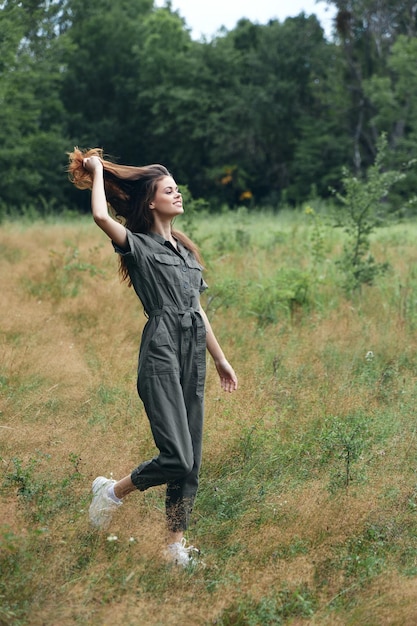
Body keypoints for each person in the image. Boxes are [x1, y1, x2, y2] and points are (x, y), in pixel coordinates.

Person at [67, 148, 238, 567]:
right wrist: (96, 173)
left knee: (191, 461)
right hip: (161, 352)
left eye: (177, 189)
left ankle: (173, 546)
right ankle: (111, 492)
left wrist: (220, 359)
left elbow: (197, 310)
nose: (178, 194)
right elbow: (102, 219)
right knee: (176, 455)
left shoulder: (185, 253)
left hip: (193, 353)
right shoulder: (139, 247)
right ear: (151, 201)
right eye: (169, 190)